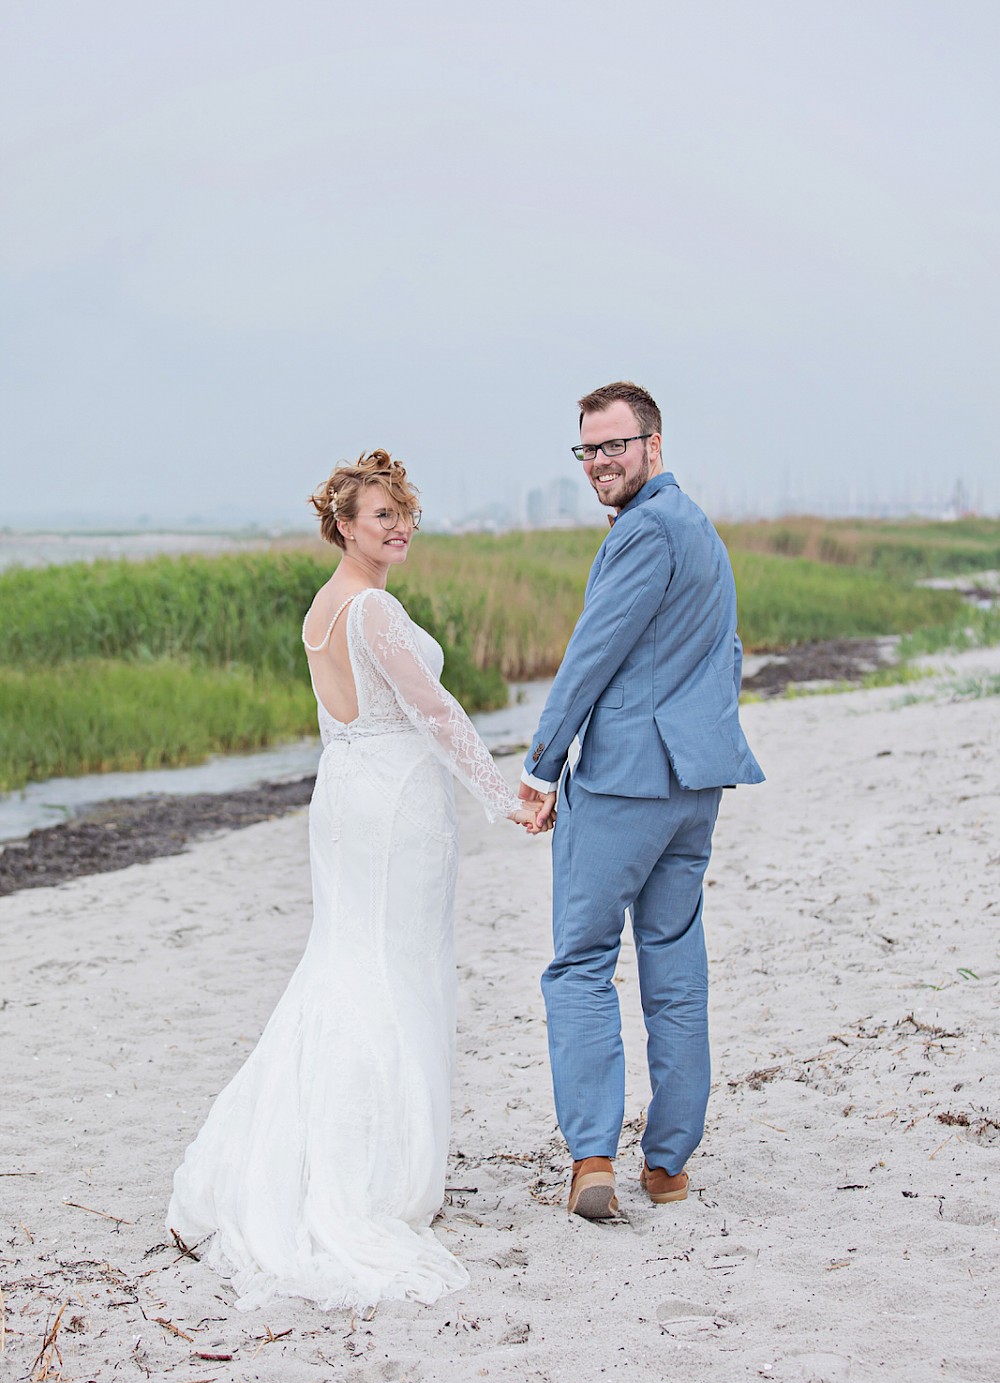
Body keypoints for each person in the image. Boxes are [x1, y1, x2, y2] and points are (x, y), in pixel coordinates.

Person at [168, 449, 538, 1310]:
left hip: (344, 798)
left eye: (404, 511)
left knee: (345, 960)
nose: (399, 525)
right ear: (343, 525)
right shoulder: (370, 608)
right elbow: (435, 711)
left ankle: (309, 1155)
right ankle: (366, 1174)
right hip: (394, 806)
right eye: (381, 516)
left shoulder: (320, 608)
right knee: (387, 972)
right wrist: (505, 796)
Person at [518, 383, 764, 1220]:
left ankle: (592, 1160)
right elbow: (725, 652)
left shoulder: (647, 530)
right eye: (587, 450)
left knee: (581, 962)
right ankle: (668, 1164)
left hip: (627, 781)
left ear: (653, 444)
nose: (599, 464)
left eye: (613, 446)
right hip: (694, 789)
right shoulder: (699, 529)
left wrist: (541, 767)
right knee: (674, 965)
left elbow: (591, 655)